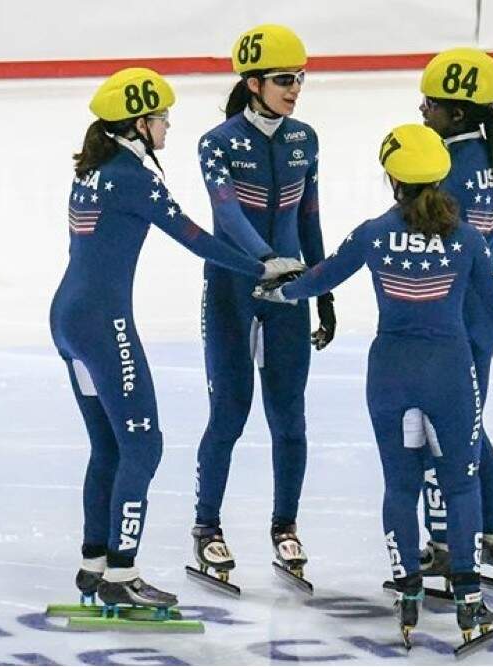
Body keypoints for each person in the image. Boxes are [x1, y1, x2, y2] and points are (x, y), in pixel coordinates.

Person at [254, 124, 493, 648]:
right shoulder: (467, 239)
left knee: (400, 484)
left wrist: (281, 292)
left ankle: (407, 592)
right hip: (450, 373)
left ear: (392, 178)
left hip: (390, 375)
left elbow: (323, 277)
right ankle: (470, 603)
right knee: (460, 484)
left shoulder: (373, 233)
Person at [49, 67, 304, 609]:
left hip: (68, 317)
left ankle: (95, 562)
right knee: (143, 445)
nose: (167, 127)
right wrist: (260, 267)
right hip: (102, 323)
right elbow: (194, 237)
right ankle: (122, 573)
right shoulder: (135, 178)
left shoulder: (94, 169)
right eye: (162, 118)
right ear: (139, 123)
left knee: (109, 446)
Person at [190, 24, 333, 590]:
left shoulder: (305, 139)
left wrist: (322, 290)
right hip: (234, 289)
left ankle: (285, 526)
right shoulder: (217, 142)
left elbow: (310, 218)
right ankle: (206, 528)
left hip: (290, 292)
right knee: (230, 411)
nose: (294, 89)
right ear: (252, 83)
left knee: (289, 416)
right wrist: (265, 259)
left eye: (299, 79)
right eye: (282, 80)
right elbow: (226, 215)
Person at [416, 48, 493, 583]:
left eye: (430, 104)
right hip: (483, 315)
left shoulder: (442, 171)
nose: (421, 110)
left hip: (445, 319)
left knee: (445, 433)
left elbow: (430, 258)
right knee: (473, 429)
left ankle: (445, 542)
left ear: (457, 113)